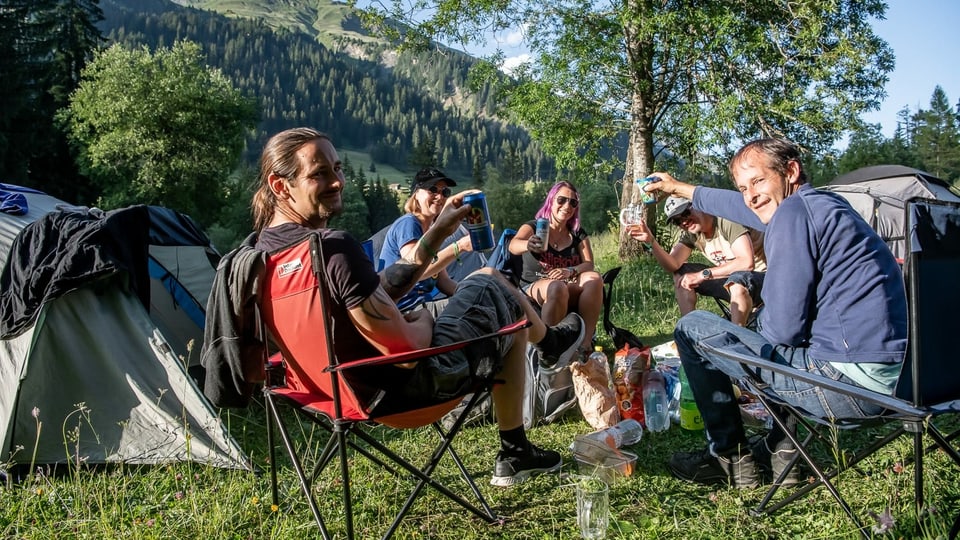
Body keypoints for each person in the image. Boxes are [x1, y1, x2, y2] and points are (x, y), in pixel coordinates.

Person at [250, 128, 585, 486]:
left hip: (329, 391)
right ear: (280, 185)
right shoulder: (332, 249)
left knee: (493, 294)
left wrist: (440, 230)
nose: (337, 182)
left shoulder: (257, 256)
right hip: (406, 390)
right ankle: (524, 422)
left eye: (338, 168)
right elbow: (408, 351)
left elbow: (373, 293)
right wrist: (423, 317)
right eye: (319, 173)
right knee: (492, 284)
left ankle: (546, 350)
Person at [645, 138, 907, 489]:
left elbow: (781, 331)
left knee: (693, 327)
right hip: (904, 382)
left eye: (758, 182)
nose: (750, 196)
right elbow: (741, 206)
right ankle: (782, 454)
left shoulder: (792, 215)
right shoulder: (826, 206)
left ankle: (730, 459)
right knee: (794, 337)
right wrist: (678, 187)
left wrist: (745, 331)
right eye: (743, 187)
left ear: (791, 172)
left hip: (847, 388)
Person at [625, 195, 766, 326]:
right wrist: (651, 241)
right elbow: (672, 264)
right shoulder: (693, 233)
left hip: (766, 282)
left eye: (686, 213)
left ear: (699, 205)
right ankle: (690, 331)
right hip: (734, 282)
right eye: (677, 221)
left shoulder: (725, 220)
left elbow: (746, 263)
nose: (684, 222)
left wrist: (701, 275)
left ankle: (738, 339)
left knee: (737, 279)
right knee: (682, 274)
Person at [509, 181, 602, 358]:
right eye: (561, 200)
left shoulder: (577, 234)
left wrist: (570, 271)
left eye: (573, 202)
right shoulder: (534, 226)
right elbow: (513, 245)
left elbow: (589, 264)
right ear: (551, 201)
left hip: (567, 284)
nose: (567, 206)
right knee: (557, 287)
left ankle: (585, 344)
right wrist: (528, 244)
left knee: (594, 278)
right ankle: (548, 351)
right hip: (534, 286)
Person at [379, 167, 474, 315]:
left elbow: (444, 282)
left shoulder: (429, 232)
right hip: (405, 310)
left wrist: (470, 293)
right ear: (416, 194)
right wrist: (459, 246)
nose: (440, 196)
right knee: (476, 310)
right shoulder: (408, 224)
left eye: (445, 192)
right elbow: (416, 269)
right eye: (433, 190)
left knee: (481, 298)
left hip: (423, 305)